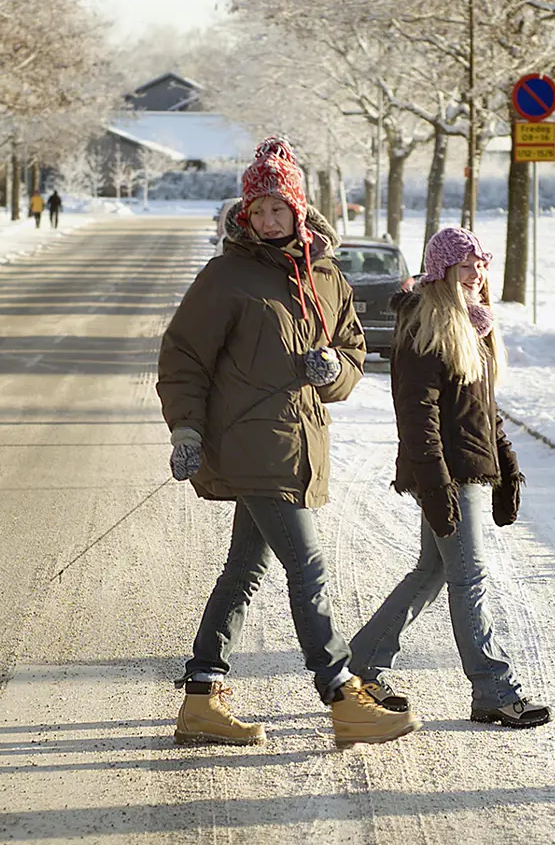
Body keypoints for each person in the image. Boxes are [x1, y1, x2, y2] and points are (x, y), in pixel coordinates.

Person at [158, 136, 422, 748]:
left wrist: (336, 372)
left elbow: (355, 352)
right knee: (308, 569)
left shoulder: (327, 276)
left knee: (245, 571)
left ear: (299, 209)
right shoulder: (227, 276)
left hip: (300, 442)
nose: (268, 219)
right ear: (244, 217)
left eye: (278, 207)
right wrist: (187, 428)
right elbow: (183, 358)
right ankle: (340, 694)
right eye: (258, 211)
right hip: (250, 446)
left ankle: (201, 697)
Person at [348, 227, 551, 729]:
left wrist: (505, 464)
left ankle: (363, 662)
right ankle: (494, 690)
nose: (477, 274)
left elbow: (483, 410)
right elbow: (418, 415)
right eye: (466, 266)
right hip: (449, 474)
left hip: (468, 470)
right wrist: (437, 485)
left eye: (481, 264)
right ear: (441, 273)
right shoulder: (425, 327)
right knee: (470, 578)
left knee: (432, 572)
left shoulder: (474, 326)